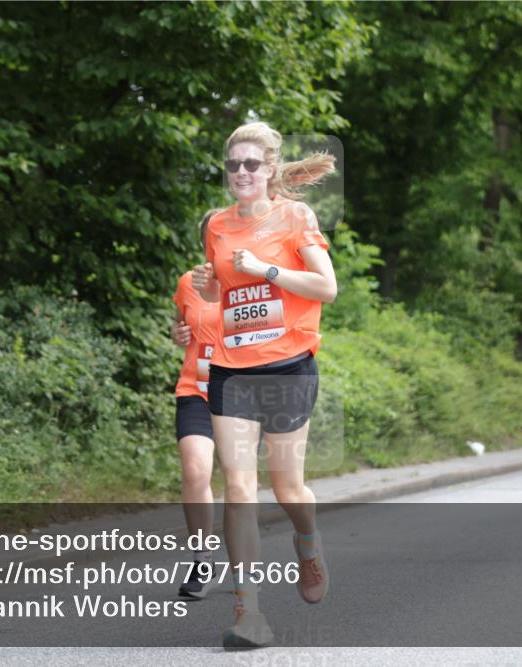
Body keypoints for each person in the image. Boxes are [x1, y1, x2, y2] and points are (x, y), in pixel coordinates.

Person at [192, 121, 337, 649]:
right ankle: (247, 611)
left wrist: (266, 270)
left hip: (287, 367)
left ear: (271, 168)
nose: (242, 173)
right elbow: (222, 297)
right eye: (234, 165)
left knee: (287, 488)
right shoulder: (216, 224)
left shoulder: (295, 215)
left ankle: (307, 539)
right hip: (232, 369)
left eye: (252, 164)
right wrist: (211, 286)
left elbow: (327, 286)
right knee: (236, 487)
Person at [170, 209, 224, 600]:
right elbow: (181, 325)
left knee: (240, 484)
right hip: (196, 388)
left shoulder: (252, 281)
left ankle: (244, 562)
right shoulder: (188, 282)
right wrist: (178, 333)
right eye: (211, 237)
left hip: (243, 391)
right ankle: (202, 559)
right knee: (195, 471)